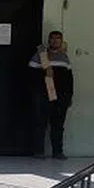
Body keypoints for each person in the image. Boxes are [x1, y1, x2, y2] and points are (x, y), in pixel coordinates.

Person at [29, 31, 74, 159]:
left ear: (61, 41)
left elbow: (69, 79)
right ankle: (38, 151)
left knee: (58, 125)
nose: (55, 41)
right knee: (40, 123)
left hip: (61, 97)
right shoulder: (40, 56)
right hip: (43, 96)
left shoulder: (64, 58)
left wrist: (69, 96)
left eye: (58, 38)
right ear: (49, 40)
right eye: (53, 38)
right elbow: (31, 76)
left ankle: (58, 152)